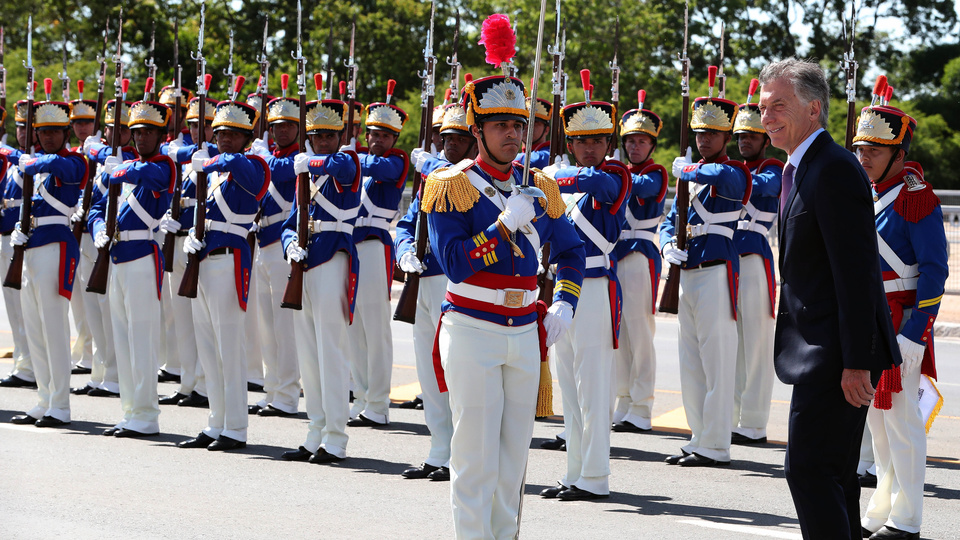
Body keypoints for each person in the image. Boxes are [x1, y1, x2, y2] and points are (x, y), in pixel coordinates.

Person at [424, 72, 585, 539]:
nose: (513, 134)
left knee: (514, 460)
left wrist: (566, 303)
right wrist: (503, 224)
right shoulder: (450, 185)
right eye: (501, 125)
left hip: (524, 331)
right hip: (473, 328)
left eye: (519, 125)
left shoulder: (541, 186)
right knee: (475, 457)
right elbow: (455, 264)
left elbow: (572, 252)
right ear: (478, 130)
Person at [757, 57, 900, 540]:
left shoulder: (833, 169)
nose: (767, 117)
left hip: (836, 355)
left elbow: (858, 274)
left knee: (810, 472)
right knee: (835, 476)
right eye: (762, 107)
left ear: (814, 109)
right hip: (822, 350)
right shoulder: (800, 167)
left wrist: (858, 361)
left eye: (779, 105)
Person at [853, 97, 948, 540]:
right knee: (878, 425)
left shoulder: (917, 199)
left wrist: (916, 334)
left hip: (902, 324)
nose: (864, 156)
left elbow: (934, 272)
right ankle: (882, 507)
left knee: (903, 425)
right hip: (872, 322)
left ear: (899, 153)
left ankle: (907, 519)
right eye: (860, 147)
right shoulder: (865, 196)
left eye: (874, 148)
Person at [539, 80, 629, 502]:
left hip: (595, 287)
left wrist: (558, 175)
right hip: (564, 288)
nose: (589, 147)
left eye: (596, 140)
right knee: (570, 388)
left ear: (608, 142)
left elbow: (600, 186)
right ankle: (574, 471)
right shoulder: (563, 178)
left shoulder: (615, 173)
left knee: (592, 387)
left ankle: (595, 476)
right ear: (570, 145)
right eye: (580, 141)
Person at [659, 69, 749, 467]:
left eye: (711, 134)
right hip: (687, 273)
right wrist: (665, 246)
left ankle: (716, 444)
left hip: (715, 271)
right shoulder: (689, 177)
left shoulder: (733, 172)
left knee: (717, 362)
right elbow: (669, 221)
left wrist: (689, 169)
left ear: (726, 137)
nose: (703, 140)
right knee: (691, 362)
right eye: (699, 134)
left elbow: (721, 175)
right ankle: (698, 438)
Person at [175, 92, 269, 452]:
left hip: (230, 260)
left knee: (230, 348)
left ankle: (236, 427)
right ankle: (215, 422)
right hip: (203, 261)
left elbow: (237, 166)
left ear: (246, 138)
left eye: (232, 134)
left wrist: (203, 158)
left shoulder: (253, 166)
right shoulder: (213, 173)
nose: (225, 139)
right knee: (208, 347)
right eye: (220, 133)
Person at [278, 93, 360, 464]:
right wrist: (290, 244)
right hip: (306, 263)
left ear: (340, 136)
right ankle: (315, 431)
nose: (324, 141)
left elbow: (339, 167)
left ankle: (337, 437)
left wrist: (308, 161)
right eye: (317, 137)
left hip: (332, 260)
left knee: (332, 352)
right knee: (309, 354)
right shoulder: (306, 175)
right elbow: (288, 221)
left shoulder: (347, 162)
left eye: (330, 136)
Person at [399, 101, 478, 482]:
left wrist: (429, 165)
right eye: (445, 138)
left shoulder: (472, 179)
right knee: (427, 373)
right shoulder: (432, 178)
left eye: (459, 139)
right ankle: (438, 450)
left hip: (456, 284)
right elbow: (407, 222)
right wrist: (403, 253)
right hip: (423, 280)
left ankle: (458, 455)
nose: (450, 145)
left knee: (454, 373)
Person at [88, 98, 175, 438]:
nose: (140, 139)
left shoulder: (162, 165)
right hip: (116, 255)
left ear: (160, 135)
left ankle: (147, 414)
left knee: (142, 339)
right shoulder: (120, 167)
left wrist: (107, 162)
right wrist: (98, 231)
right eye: (136, 133)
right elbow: (98, 208)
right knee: (122, 338)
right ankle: (130, 410)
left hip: (142, 254)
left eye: (148, 133)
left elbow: (144, 174)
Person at [8, 94, 86, 427]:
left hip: (55, 247)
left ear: (66, 133)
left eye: (56, 131)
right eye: (44, 132)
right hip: (30, 248)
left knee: (54, 328)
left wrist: (28, 160)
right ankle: (43, 398)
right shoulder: (35, 167)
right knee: (35, 328)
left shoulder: (73, 162)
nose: (49, 137)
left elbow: (61, 167)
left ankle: (60, 404)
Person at [347, 83, 409, 428]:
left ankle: (379, 402)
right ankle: (362, 396)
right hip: (349, 246)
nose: (377, 140)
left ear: (394, 138)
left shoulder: (395, 161)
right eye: (372, 134)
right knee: (354, 327)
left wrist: (348, 155)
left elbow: (373, 166)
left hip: (374, 245)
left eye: (384, 135)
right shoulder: (361, 159)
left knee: (375, 328)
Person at [611, 91, 667, 434]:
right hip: (616, 257)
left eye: (642, 141)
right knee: (620, 334)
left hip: (639, 257)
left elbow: (640, 188)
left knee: (641, 335)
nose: (635, 147)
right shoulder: (621, 171)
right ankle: (624, 400)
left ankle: (642, 406)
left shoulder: (656, 173)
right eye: (630, 141)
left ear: (652, 146)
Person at [158, 95, 218, 408]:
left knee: (202, 322)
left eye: (205, 125)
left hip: (201, 240)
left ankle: (206, 385)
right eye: (193, 124)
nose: (198, 130)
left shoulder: (218, 153)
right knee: (180, 317)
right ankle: (187, 382)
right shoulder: (184, 153)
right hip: (178, 236)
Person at [731, 82, 782, 445]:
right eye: (739, 136)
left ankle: (754, 422)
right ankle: (732, 417)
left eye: (752, 135)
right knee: (732, 346)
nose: (745, 141)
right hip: (728, 263)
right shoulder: (732, 168)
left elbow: (762, 187)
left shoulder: (773, 168)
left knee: (757, 346)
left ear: (765, 139)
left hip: (754, 261)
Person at [246, 88, 301, 418]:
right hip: (263, 241)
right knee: (267, 326)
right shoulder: (270, 153)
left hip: (282, 242)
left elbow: (279, 172)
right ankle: (273, 389)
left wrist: (261, 154)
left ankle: (288, 393)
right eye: (276, 126)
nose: (281, 131)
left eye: (287, 126)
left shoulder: (294, 158)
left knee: (283, 326)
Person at [79, 97, 138, 399]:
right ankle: (101, 371)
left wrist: (98, 150)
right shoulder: (104, 163)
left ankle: (114, 375)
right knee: (94, 312)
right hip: (92, 238)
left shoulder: (127, 161)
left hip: (116, 246)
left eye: (124, 130)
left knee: (109, 310)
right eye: (112, 129)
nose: (117, 135)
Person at [0, 102, 36, 389]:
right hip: (6, 238)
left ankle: (31, 364)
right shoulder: (11, 161)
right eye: (20, 127)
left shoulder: (34, 160)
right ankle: (22, 363)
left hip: (26, 240)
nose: (23, 132)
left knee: (28, 307)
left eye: (29, 127)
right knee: (13, 307)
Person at [66, 83, 100, 378]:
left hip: (95, 232)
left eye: (87, 121)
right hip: (75, 230)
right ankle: (85, 353)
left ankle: (98, 360)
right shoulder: (75, 154)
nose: (81, 127)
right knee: (78, 298)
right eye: (76, 122)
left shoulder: (104, 154)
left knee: (95, 299)